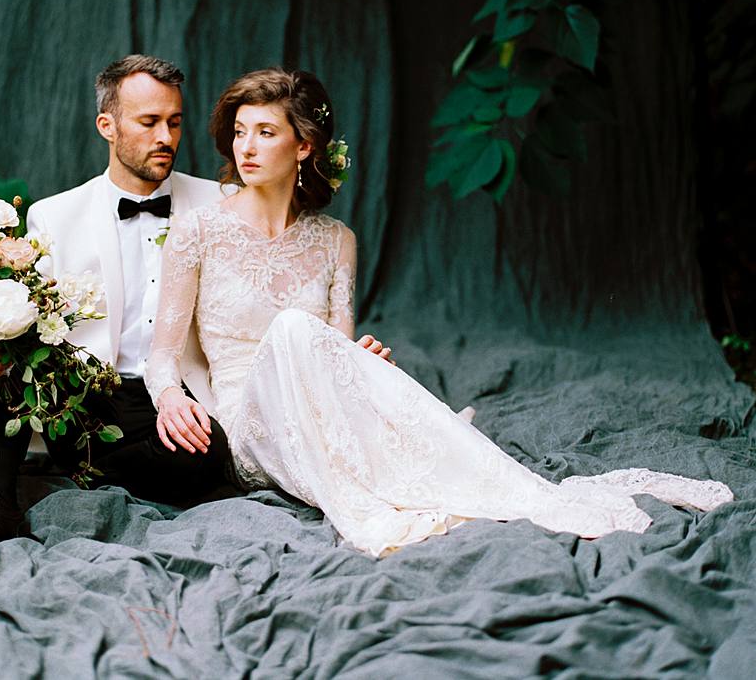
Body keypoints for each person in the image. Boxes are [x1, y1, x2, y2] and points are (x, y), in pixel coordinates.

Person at [144, 68, 734, 558]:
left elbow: (336, 348)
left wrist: (358, 360)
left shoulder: (336, 240)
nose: (245, 147)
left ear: (303, 147)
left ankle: (519, 491)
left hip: (320, 411)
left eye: (264, 132)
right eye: (240, 131)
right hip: (252, 426)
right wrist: (171, 397)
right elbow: (163, 356)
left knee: (330, 350)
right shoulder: (199, 232)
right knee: (293, 329)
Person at [0, 55, 236, 556]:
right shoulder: (55, 215)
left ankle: (34, 464)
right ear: (107, 126)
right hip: (80, 397)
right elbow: (12, 308)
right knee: (13, 343)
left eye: (175, 122)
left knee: (204, 459)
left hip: (172, 398)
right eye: (149, 122)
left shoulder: (220, 204)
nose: (167, 137)